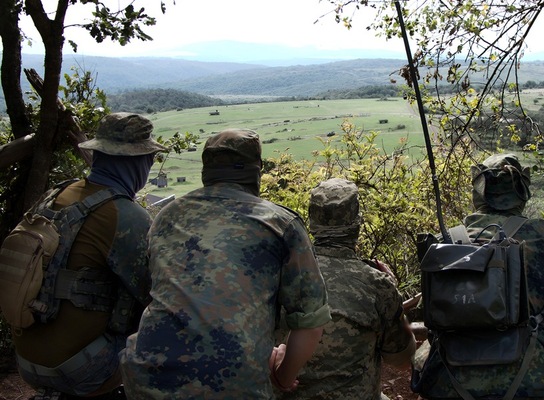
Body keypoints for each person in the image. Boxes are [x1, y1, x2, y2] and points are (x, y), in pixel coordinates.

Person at [119, 128, 331, 398]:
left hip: (148, 376)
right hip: (232, 383)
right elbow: (310, 323)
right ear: (256, 170)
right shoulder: (279, 223)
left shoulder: (167, 215)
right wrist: (282, 376)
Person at [412, 153, 544, 400]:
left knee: (431, 343)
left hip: (447, 384)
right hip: (533, 383)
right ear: (521, 193)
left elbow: (430, 315)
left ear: (478, 193)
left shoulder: (445, 243)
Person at [13, 112, 166, 397]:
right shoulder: (127, 216)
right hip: (83, 371)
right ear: (140, 160)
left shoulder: (55, 195)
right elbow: (158, 294)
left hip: (26, 361)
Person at [275, 178, 416, 400]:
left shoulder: (281, 273)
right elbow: (402, 359)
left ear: (312, 223)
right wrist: (392, 293)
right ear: (357, 224)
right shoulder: (377, 284)